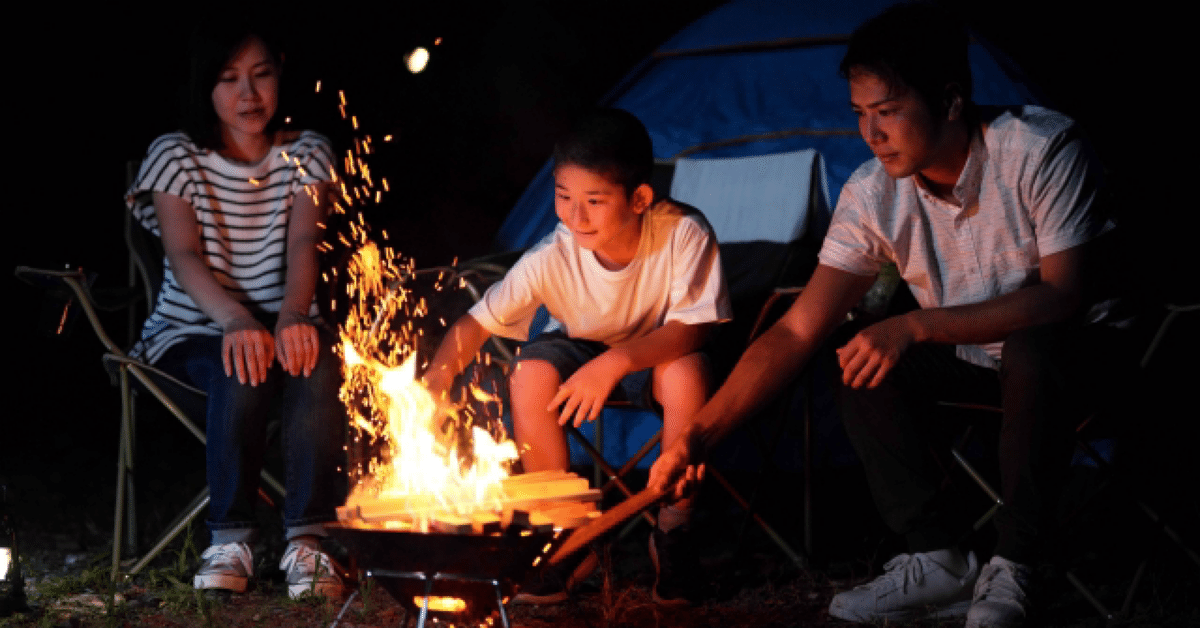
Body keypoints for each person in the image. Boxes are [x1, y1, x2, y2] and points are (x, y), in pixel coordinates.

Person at [649, 3, 1132, 627]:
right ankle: (936, 556)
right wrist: (697, 436)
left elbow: (1061, 297)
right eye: (860, 115)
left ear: (951, 102)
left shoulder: (1042, 148)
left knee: (1028, 348)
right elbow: (797, 329)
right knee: (856, 356)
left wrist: (913, 325)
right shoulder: (874, 193)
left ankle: (1019, 564)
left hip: (1084, 357)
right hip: (978, 361)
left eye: (888, 113)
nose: (870, 135)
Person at [423, 108, 731, 605]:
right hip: (579, 342)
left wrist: (614, 363)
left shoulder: (682, 234)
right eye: (563, 197)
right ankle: (565, 535)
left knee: (686, 372)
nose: (575, 215)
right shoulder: (553, 255)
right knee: (530, 373)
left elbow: (693, 330)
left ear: (639, 199)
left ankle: (673, 531)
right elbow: (475, 324)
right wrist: (431, 389)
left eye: (594, 200)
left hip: (657, 348)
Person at [126, 17, 345, 599]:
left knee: (319, 363)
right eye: (229, 79)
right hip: (191, 332)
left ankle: (308, 543)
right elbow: (183, 253)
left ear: (280, 75)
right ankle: (231, 536)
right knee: (238, 363)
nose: (248, 95)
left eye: (261, 75)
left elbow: (304, 242)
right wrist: (237, 320)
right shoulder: (176, 155)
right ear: (206, 86)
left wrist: (295, 316)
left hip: (285, 325)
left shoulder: (308, 153)